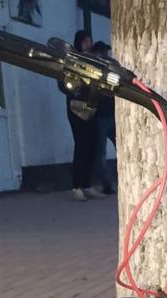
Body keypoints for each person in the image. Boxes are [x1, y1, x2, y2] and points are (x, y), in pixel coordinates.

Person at [66, 30, 99, 201]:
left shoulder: (92, 60)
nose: (88, 45)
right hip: (76, 108)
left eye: (90, 41)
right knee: (81, 145)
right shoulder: (72, 60)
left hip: (91, 108)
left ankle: (86, 184)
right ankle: (76, 186)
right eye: (85, 41)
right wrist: (75, 90)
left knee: (92, 146)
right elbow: (64, 82)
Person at [92, 40, 117, 195]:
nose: (105, 55)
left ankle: (112, 181)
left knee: (116, 148)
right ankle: (106, 184)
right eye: (103, 53)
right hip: (100, 116)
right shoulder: (94, 70)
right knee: (101, 153)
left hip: (111, 115)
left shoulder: (109, 70)